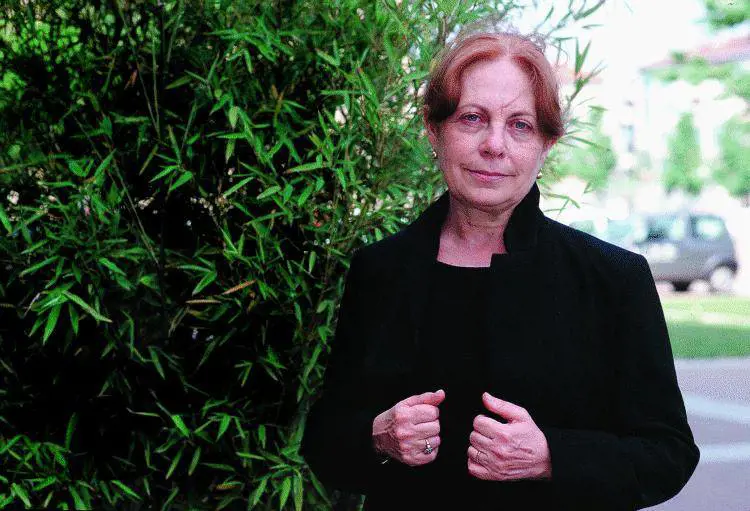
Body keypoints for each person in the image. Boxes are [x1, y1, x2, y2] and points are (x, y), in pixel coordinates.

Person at [301, 27, 699, 511]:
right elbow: (324, 441)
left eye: (520, 125)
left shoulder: (612, 279)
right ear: (433, 130)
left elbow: (668, 455)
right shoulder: (380, 270)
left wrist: (551, 456)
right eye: (472, 118)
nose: (494, 144)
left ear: (547, 144)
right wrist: (377, 437)